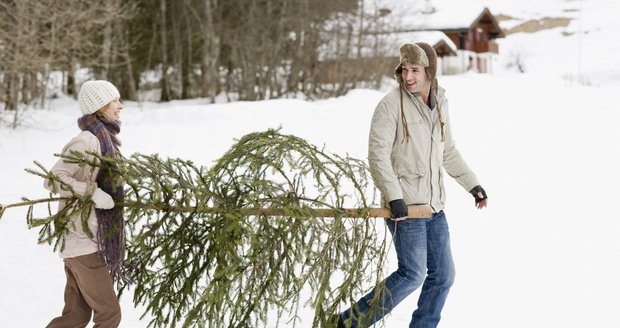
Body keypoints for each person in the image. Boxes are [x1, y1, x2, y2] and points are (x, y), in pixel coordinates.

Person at [335, 43, 488, 327]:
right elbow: (377, 155)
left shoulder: (441, 101)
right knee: (412, 274)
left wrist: (472, 184)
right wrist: (394, 197)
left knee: (443, 275)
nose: (408, 76)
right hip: (405, 209)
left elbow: (448, 151)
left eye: (415, 70)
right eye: (404, 69)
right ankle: (347, 323)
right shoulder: (391, 105)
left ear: (430, 71)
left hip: (433, 207)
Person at [44, 80, 128, 328]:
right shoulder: (87, 141)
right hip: (81, 241)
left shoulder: (104, 140)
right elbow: (53, 179)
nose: (120, 106)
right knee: (109, 313)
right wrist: (92, 192)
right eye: (114, 100)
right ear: (99, 106)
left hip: (85, 239)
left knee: (75, 316)